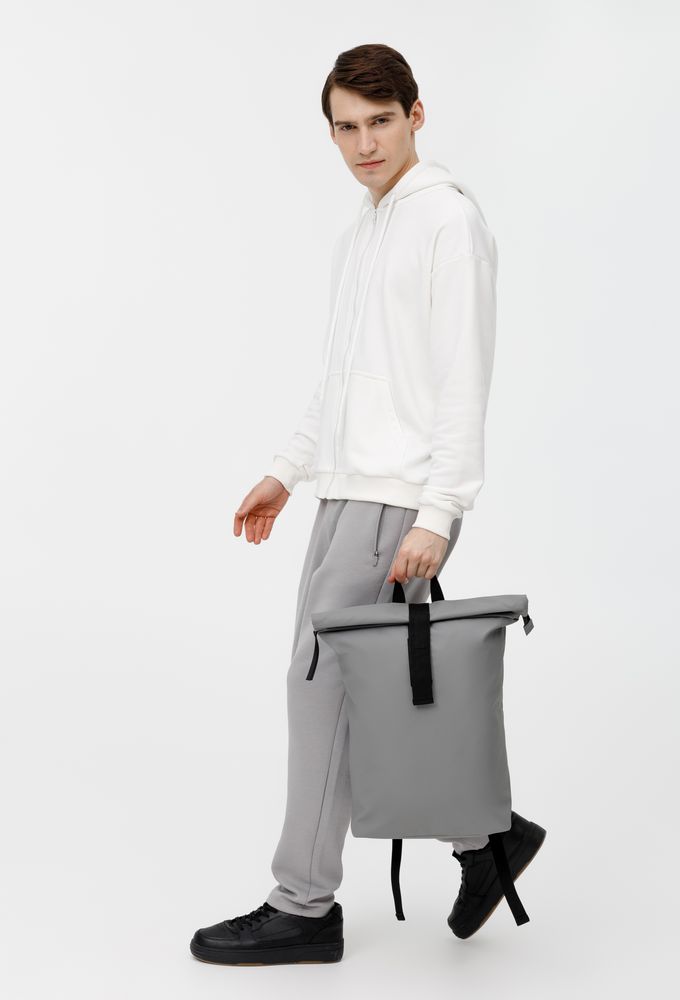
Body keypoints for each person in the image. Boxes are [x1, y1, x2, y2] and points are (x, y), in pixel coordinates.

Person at [190, 42, 545, 968]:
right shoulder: (364, 229)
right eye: (346, 127)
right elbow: (342, 380)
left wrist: (439, 513)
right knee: (386, 692)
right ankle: (487, 839)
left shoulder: (447, 220)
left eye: (380, 122)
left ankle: (303, 903)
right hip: (346, 493)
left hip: (398, 497)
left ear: (416, 115)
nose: (364, 144)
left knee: (319, 690)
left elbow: (464, 378)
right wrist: (288, 469)